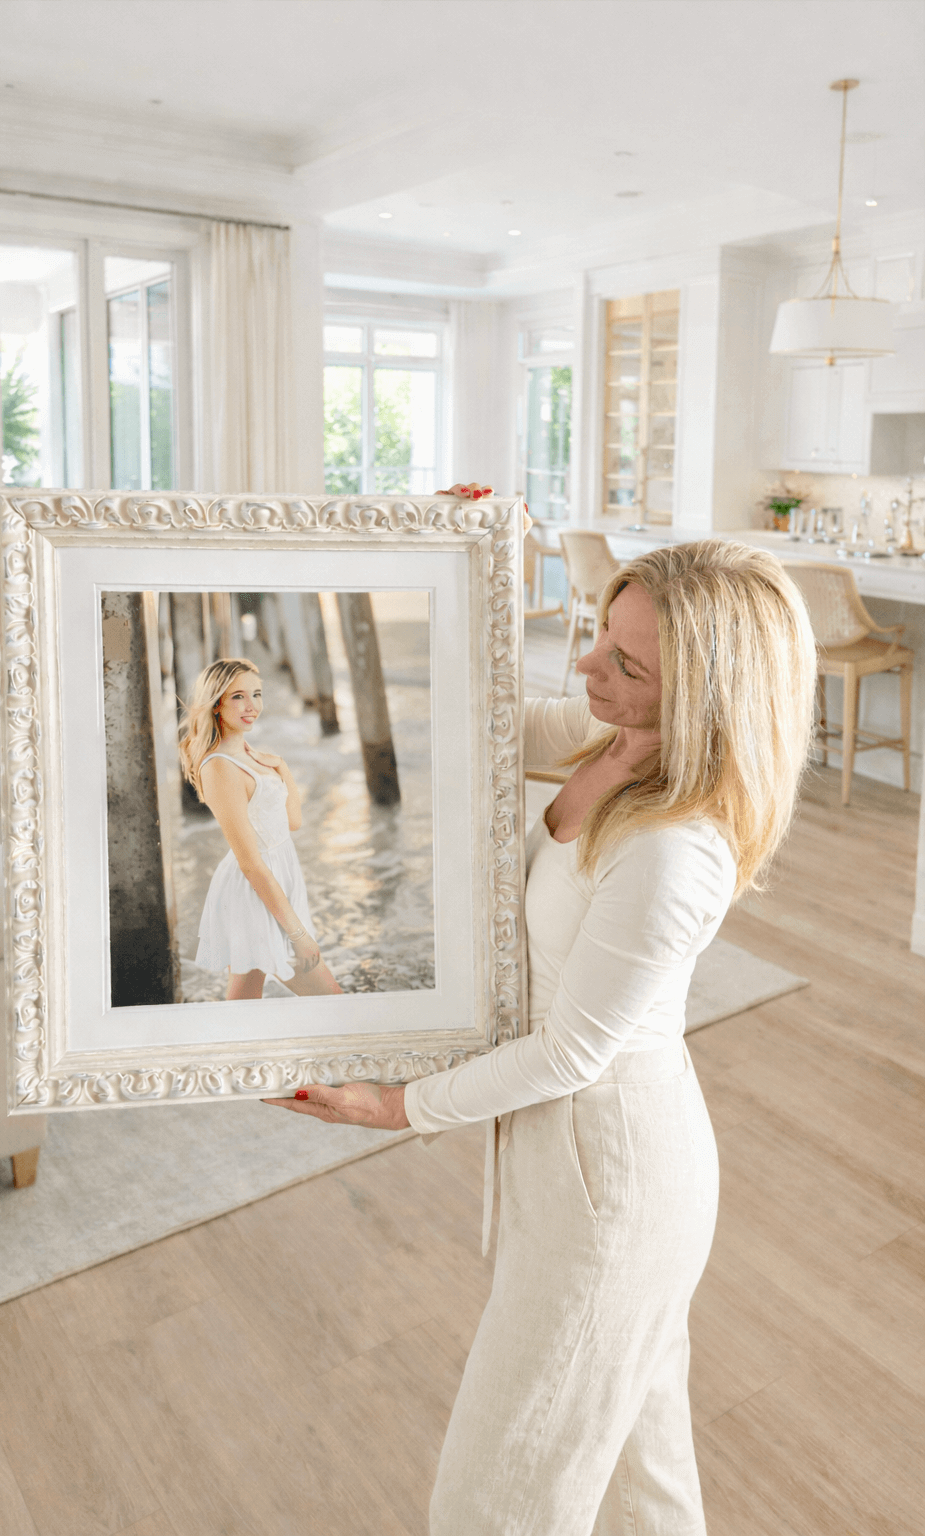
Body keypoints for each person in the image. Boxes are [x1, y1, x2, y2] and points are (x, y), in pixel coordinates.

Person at [265, 519, 817, 1534]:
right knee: (646, 1478)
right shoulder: (620, 739)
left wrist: (396, 1106)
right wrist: (428, 559)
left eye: (624, 662)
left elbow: (571, 1051)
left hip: (611, 1182)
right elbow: (477, 719)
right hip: (577, 1162)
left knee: (495, 1497)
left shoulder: (672, 849)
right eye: (599, 636)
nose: (587, 665)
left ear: (702, 693)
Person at [179, 657, 342, 1000]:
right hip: (255, 893)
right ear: (217, 703)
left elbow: (292, 822)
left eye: (257, 694)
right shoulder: (220, 768)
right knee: (334, 1003)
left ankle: (223, 1053)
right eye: (238, 696)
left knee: (242, 1008)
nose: (251, 706)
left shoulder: (253, 756)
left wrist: (282, 767)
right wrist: (298, 935)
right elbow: (251, 864)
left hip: (277, 881)